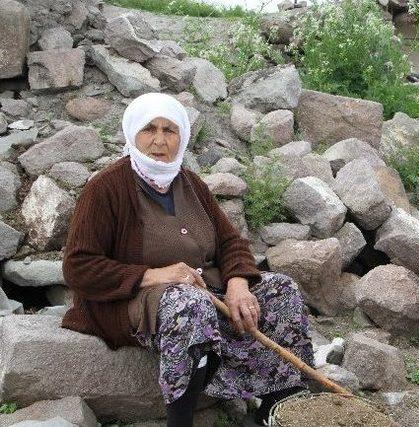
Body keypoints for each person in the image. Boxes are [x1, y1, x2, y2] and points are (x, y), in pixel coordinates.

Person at [61, 93, 313, 426]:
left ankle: (275, 405)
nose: (159, 140)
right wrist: (154, 275)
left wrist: (238, 284)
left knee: (281, 290)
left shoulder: (189, 182)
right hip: (134, 303)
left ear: (182, 138)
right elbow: (78, 267)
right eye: (149, 129)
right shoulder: (106, 188)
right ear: (132, 134)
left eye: (170, 130)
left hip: (206, 294)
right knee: (188, 304)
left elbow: (230, 241)